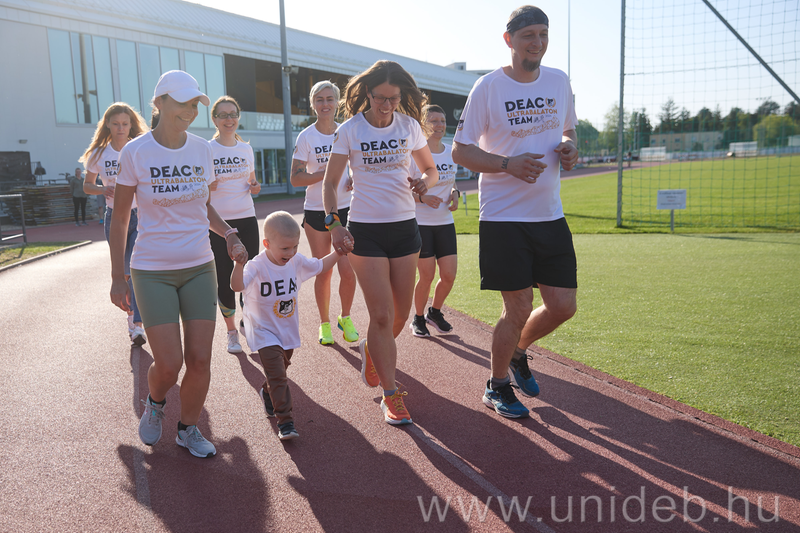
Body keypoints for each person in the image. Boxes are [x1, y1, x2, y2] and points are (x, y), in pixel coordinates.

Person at [110, 70, 248, 458]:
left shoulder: (202, 150)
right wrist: (117, 276)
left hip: (200, 265)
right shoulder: (135, 152)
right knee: (169, 364)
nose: (190, 110)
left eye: (194, 104)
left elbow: (204, 206)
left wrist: (229, 233)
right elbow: (120, 220)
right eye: (182, 103)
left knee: (200, 359)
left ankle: (187, 429)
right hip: (151, 270)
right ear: (159, 103)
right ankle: (155, 402)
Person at [452, 6, 579, 419]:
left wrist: (570, 147)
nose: (537, 43)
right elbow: (461, 151)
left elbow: (568, 129)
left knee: (563, 306)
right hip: (503, 218)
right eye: (528, 35)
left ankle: (519, 351)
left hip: (550, 215)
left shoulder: (559, 81)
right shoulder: (488, 87)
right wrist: (508, 164)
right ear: (509, 40)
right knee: (518, 307)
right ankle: (496, 385)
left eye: (543, 34)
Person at [322, 60, 439, 425]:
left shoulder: (409, 127)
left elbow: (431, 170)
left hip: (405, 230)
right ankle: (391, 395)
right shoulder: (350, 130)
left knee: (401, 315)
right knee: (382, 315)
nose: (386, 105)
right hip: (365, 231)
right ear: (367, 94)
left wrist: (425, 183)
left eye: (393, 98)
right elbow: (330, 183)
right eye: (379, 98)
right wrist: (334, 224)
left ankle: (372, 350)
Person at [232, 211, 344, 440]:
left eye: (295, 247)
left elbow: (320, 265)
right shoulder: (256, 266)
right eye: (285, 248)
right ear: (267, 244)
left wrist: (339, 253)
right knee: (278, 375)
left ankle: (267, 392)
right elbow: (236, 286)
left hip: (287, 330)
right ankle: (286, 422)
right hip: (263, 331)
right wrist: (237, 265)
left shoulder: (296, 261)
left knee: (279, 373)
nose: (291, 253)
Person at [291, 80, 358, 346]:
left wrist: (352, 178)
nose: (325, 104)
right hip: (316, 210)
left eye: (330, 99)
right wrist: (326, 175)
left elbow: (357, 166)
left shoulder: (347, 131)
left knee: (348, 269)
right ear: (313, 104)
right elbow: (296, 178)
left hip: (346, 208)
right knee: (324, 271)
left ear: (337, 102)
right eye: (319, 99)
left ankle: (346, 317)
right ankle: (325, 324)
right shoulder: (306, 137)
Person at [80, 102, 149, 346]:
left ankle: (138, 324)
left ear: (131, 125)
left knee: (135, 267)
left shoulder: (139, 148)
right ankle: (132, 317)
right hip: (114, 217)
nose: (121, 128)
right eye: (116, 123)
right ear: (107, 124)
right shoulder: (99, 154)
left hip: (139, 215)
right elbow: (87, 186)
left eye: (125, 124)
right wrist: (102, 189)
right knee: (124, 271)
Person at [208, 95, 262, 354]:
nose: (229, 119)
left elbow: (253, 183)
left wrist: (255, 187)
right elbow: (200, 190)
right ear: (215, 119)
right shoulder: (207, 149)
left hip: (247, 218)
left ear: (238, 118)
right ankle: (231, 332)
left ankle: (248, 321)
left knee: (250, 274)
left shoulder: (246, 149)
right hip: (218, 223)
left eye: (233, 114)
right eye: (223, 115)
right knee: (224, 277)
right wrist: (208, 185)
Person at [409, 104, 460, 338]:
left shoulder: (451, 152)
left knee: (449, 275)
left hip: (445, 222)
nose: (439, 125)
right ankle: (418, 318)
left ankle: (434, 312)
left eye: (442, 120)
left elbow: (451, 180)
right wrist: (422, 197)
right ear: (423, 125)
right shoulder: (415, 155)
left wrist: (455, 193)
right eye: (434, 121)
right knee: (427, 276)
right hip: (421, 224)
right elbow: (401, 189)